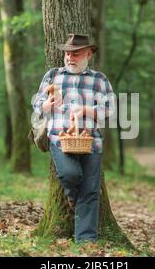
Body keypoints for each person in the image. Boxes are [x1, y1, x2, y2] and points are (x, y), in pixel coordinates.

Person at [32, 34, 115, 243]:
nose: (70, 57)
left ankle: (86, 242)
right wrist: (45, 106)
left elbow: (110, 110)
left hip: (91, 142)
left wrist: (85, 110)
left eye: (76, 54)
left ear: (88, 54)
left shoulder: (99, 79)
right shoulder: (53, 76)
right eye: (68, 53)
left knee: (91, 190)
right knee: (70, 174)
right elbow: (37, 102)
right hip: (60, 140)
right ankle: (72, 197)